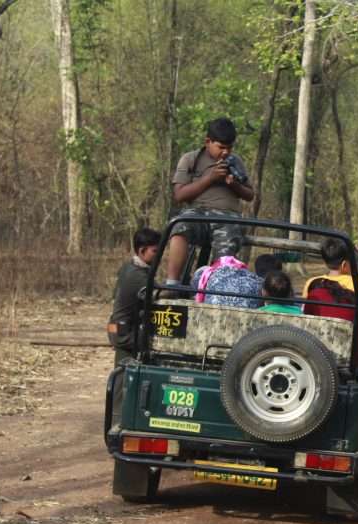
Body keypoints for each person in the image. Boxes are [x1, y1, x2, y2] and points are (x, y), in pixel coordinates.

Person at [167, 117, 255, 288]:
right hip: (198, 212)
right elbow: (179, 195)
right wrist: (210, 178)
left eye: (229, 148)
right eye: (221, 147)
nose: (225, 152)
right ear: (208, 141)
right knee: (179, 225)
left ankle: (215, 290)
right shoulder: (191, 159)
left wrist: (233, 184)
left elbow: (249, 195)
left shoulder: (235, 161)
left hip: (227, 216)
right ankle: (172, 284)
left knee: (227, 248)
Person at [108, 228, 161, 365]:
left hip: (115, 326)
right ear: (142, 251)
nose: (158, 255)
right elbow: (160, 296)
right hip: (124, 332)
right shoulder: (138, 275)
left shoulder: (128, 266)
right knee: (126, 373)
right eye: (155, 251)